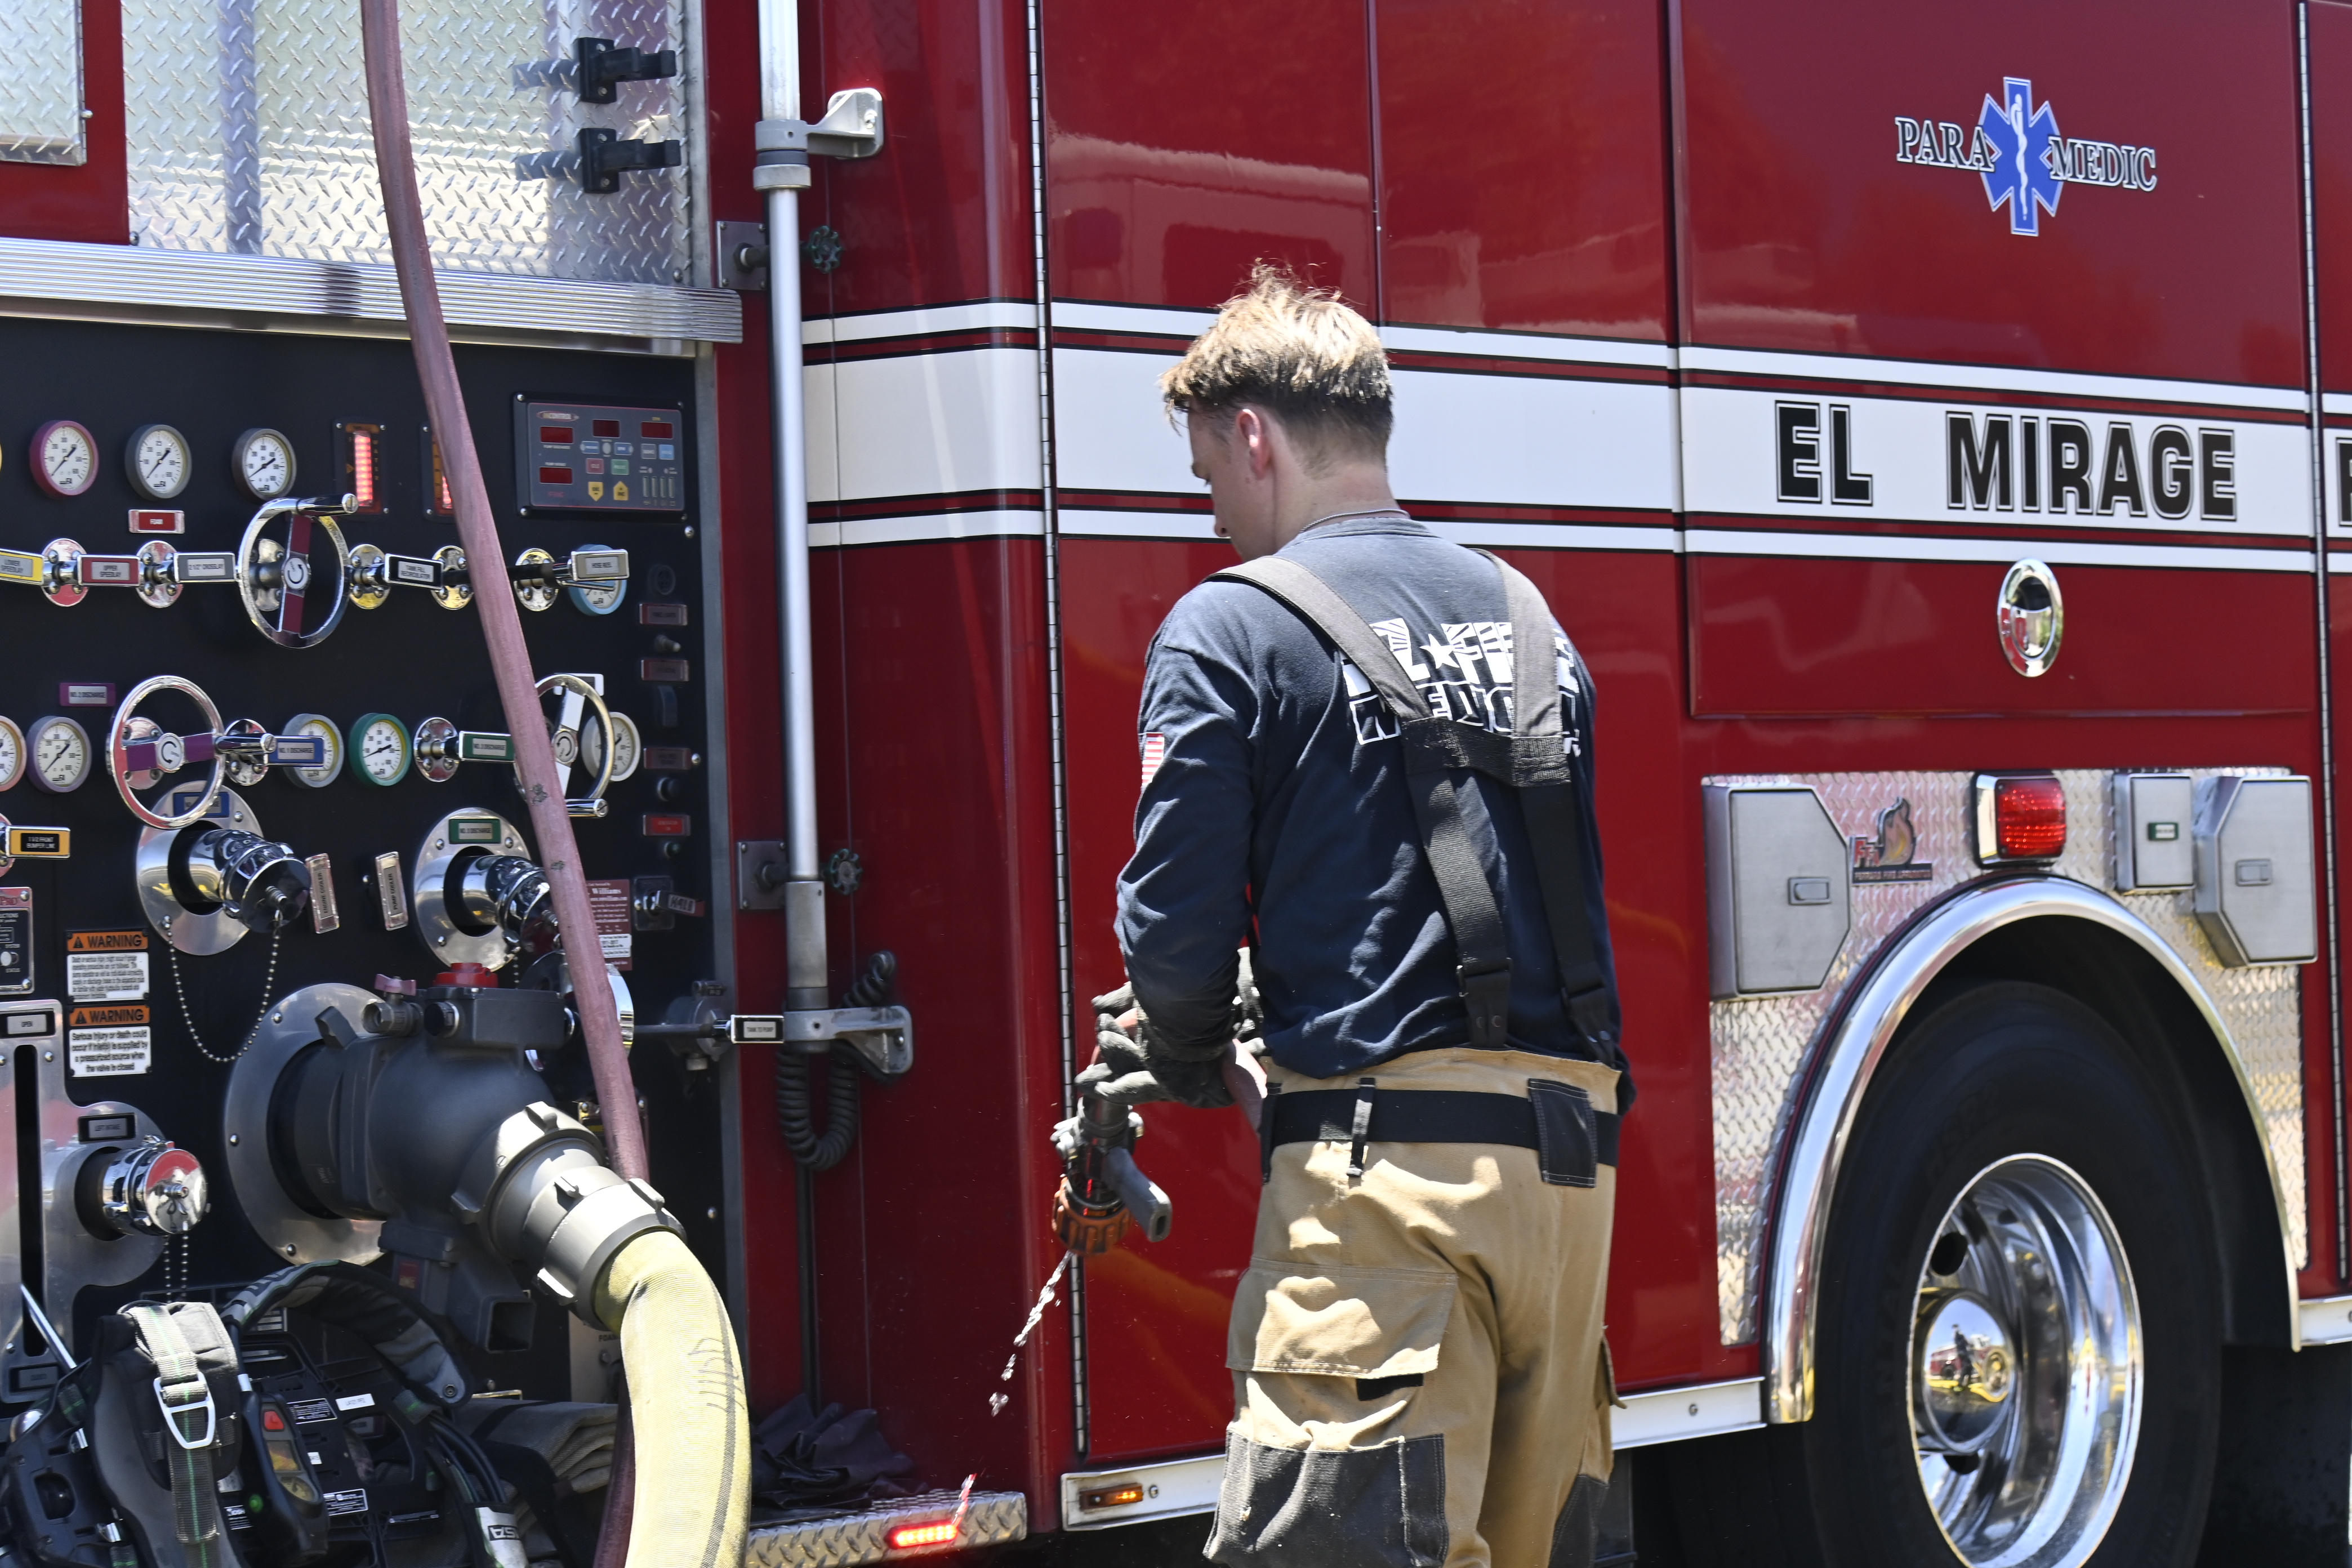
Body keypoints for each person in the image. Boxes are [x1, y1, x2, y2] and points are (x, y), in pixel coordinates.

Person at [1079, 266, 1631, 1568]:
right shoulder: (1534, 622)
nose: (1215, 513)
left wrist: (1185, 1047)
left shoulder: (1229, 626)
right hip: (1570, 1181)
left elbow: (1174, 929)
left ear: (1254, 437)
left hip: (1388, 1198)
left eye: (1210, 476)